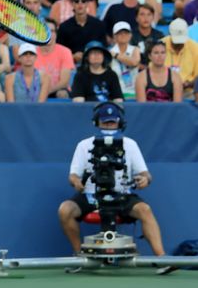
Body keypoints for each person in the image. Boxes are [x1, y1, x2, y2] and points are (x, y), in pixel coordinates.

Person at [58, 102, 169, 262]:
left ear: (120, 122)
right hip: (91, 195)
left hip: (121, 194)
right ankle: (79, 256)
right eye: (105, 122)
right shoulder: (84, 145)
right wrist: (77, 182)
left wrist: (145, 179)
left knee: (145, 210)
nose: (109, 126)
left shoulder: (130, 144)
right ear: (97, 122)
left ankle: (161, 258)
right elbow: (73, 175)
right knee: (65, 210)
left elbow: (145, 174)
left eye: (112, 121)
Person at [58, 0, 107, 64]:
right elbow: (60, 51)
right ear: (72, 3)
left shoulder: (99, 25)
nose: (80, 3)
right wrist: (73, 56)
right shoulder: (64, 27)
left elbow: (104, 48)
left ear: (87, 3)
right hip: (71, 65)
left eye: (83, 1)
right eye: (77, 1)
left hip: (95, 64)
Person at [35, 19, 75, 99]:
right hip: (37, 90)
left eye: (52, 31)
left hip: (57, 90)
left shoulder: (65, 52)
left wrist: (46, 91)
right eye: (45, 30)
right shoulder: (32, 52)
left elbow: (64, 82)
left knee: (62, 93)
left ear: (56, 34)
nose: (48, 33)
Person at [162, 18, 198, 98]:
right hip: (163, 89)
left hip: (188, 91)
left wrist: (189, 83)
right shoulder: (160, 45)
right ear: (169, 34)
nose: (179, 44)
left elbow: (197, 76)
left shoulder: (195, 48)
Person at [109, 21, 141, 99]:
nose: (123, 35)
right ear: (114, 36)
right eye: (120, 33)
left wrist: (116, 55)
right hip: (116, 93)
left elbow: (134, 62)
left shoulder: (135, 49)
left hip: (134, 92)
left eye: (126, 33)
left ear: (130, 35)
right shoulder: (109, 53)